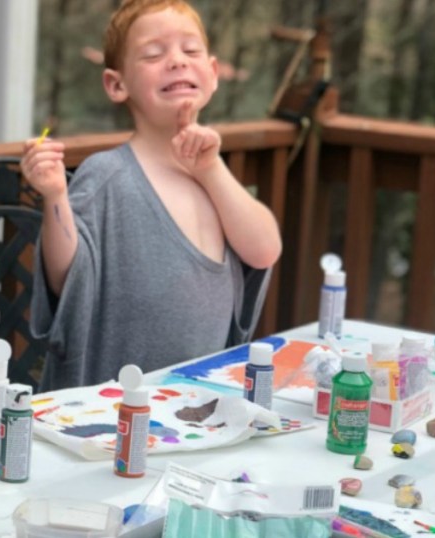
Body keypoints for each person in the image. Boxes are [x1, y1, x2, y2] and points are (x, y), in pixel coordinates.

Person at [22, 0, 282, 391]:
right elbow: (65, 280)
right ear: (116, 84)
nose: (177, 61)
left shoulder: (214, 176)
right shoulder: (106, 174)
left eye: (190, 50)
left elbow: (264, 250)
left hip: (193, 417)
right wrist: (55, 196)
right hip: (106, 420)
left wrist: (211, 169)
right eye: (154, 54)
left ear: (212, 74)